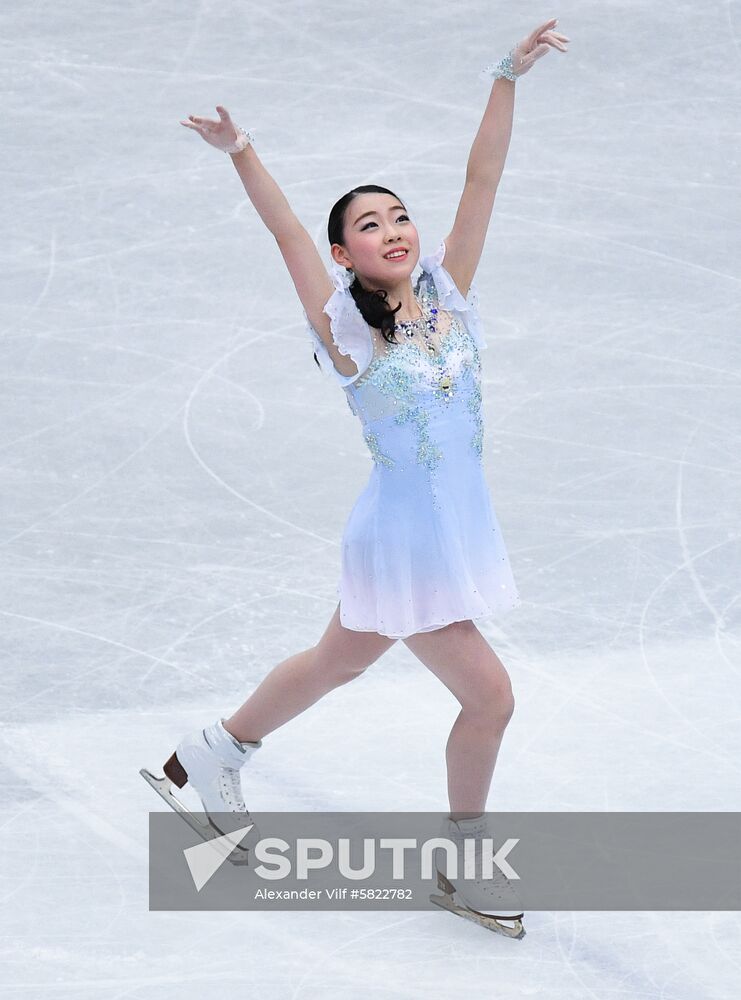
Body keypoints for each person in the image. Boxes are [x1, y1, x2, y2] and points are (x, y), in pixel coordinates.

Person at [143, 18, 569, 936]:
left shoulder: (449, 295)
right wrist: (242, 151)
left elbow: (481, 180)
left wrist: (505, 74)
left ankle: (212, 750)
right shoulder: (348, 335)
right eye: (368, 225)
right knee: (489, 696)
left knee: (340, 659)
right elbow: (289, 232)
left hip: (445, 528)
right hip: (406, 543)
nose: (394, 230)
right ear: (347, 256)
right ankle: (463, 862)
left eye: (398, 214)